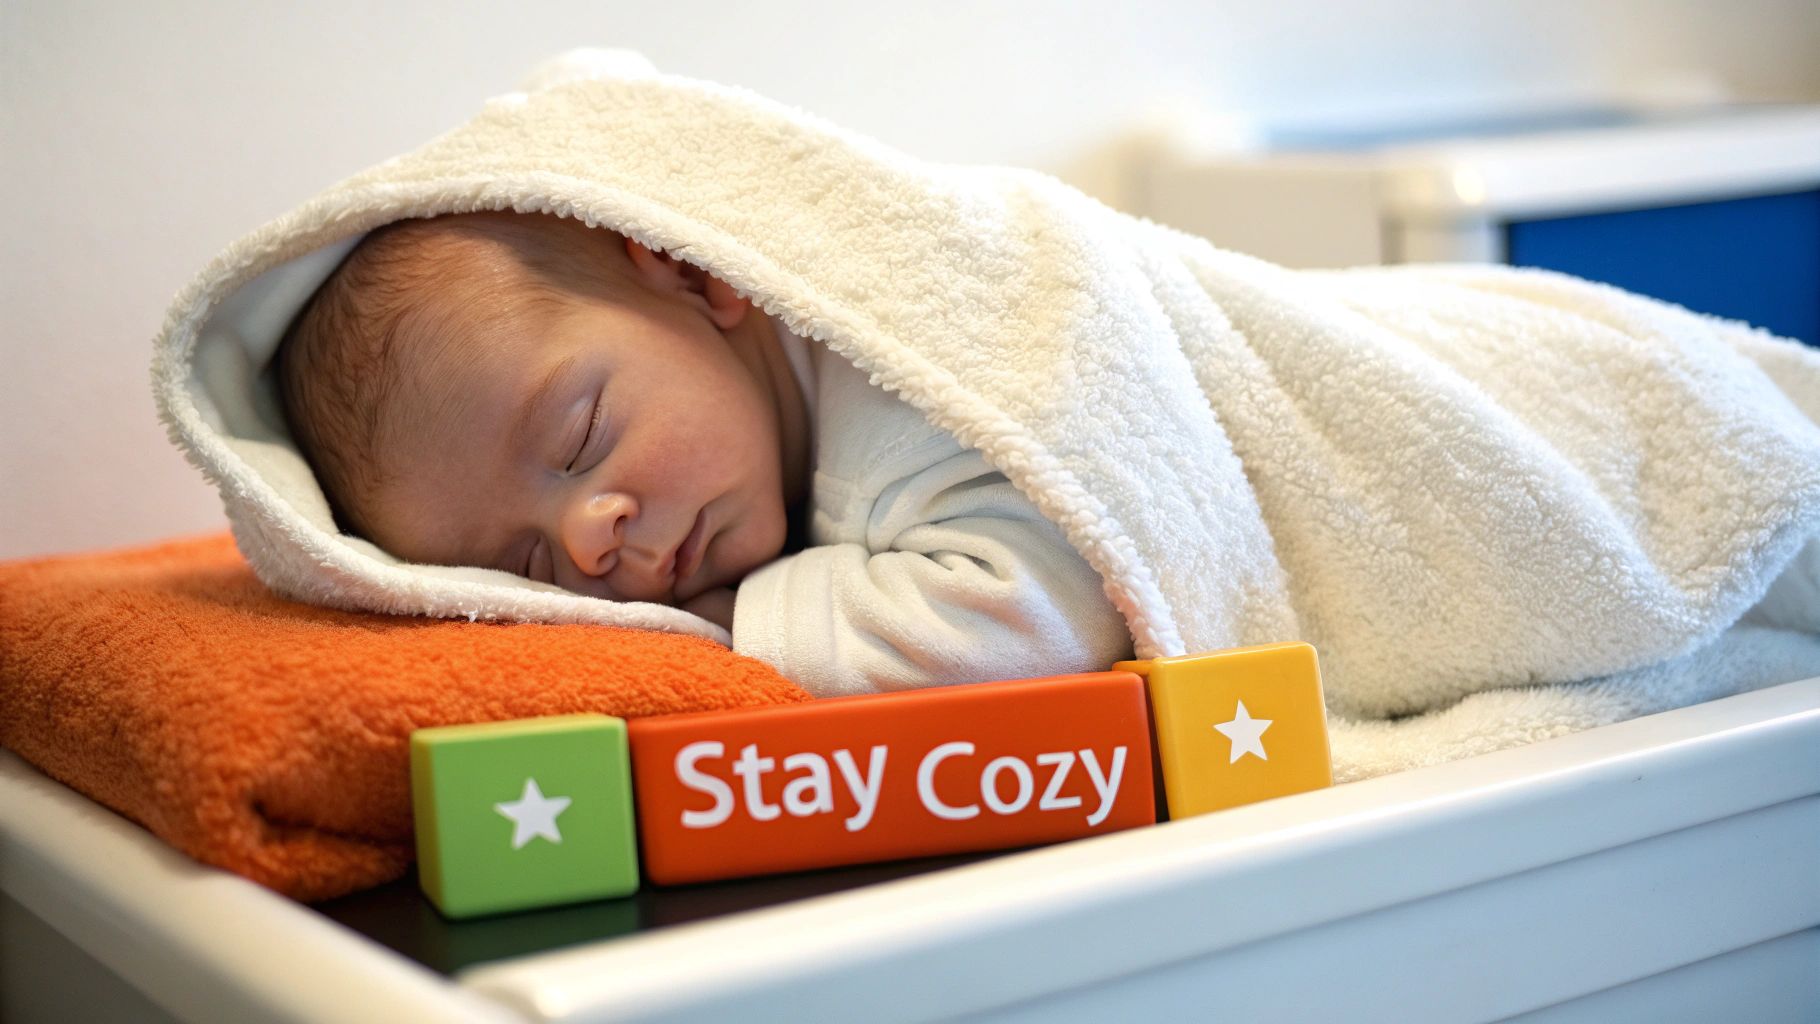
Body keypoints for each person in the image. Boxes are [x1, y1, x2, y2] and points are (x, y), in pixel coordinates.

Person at [276, 210, 1135, 696]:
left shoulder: (912, 402)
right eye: (529, 565)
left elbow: (1048, 613)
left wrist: (747, 627)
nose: (587, 541)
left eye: (580, 440)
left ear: (692, 278)